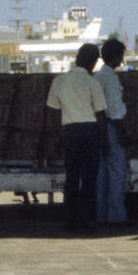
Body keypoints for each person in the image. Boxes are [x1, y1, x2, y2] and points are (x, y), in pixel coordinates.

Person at [46, 42, 107, 229]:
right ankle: (84, 219)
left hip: (70, 132)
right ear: (94, 62)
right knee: (89, 178)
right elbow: (100, 114)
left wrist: (56, 137)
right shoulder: (92, 82)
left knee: (72, 176)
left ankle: (70, 219)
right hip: (90, 132)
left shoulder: (59, 81)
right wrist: (105, 140)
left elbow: (53, 112)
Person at [92, 36, 129, 226]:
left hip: (96, 129)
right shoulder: (111, 79)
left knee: (102, 176)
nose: (122, 60)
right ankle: (117, 216)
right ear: (115, 57)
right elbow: (115, 110)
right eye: (121, 56)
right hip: (111, 127)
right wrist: (122, 134)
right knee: (117, 173)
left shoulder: (97, 78)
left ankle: (102, 215)